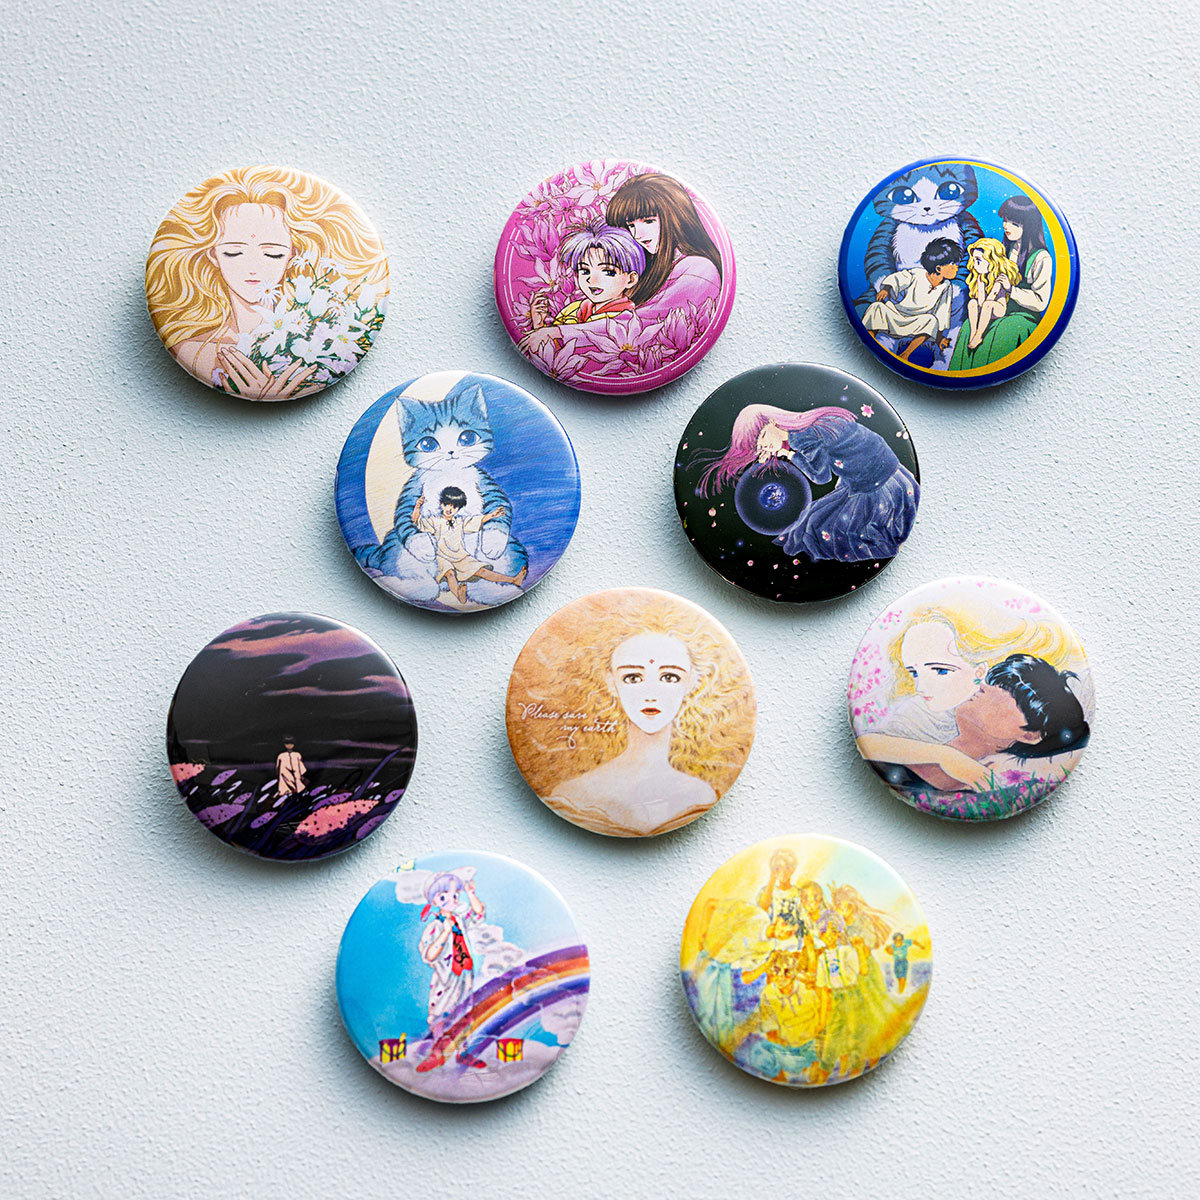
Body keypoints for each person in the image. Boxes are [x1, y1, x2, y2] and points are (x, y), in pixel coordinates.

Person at [145, 165, 386, 396]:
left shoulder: (319, 341)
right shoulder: (195, 351)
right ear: (213, 256)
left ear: (292, 256)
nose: (252, 268)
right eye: (234, 252)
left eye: (272, 254)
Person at [948, 194, 1054, 370]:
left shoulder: (1041, 258)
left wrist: (1011, 290)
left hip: (1022, 316)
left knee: (1000, 332)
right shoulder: (1003, 250)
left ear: (1029, 226)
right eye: (1005, 220)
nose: (1006, 226)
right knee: (967, 326)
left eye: (1014, 223)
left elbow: (1040, 302)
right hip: (996, 307)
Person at [415, 872, 488, 1072]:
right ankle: (437, 1054)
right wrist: (445, 932)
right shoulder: (435, 926)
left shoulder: (460, 921)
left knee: (464, 1013)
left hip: (464, 976)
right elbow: (429, 955)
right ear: (434, 901)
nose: (451, 900)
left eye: (455, 895)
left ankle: (462, 1052)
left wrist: (470, 893)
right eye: (443, 896)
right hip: (445, 980)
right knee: (440, 1014)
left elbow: (478, 914)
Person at [523, 219, 644, 338]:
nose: (592, 280)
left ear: (631, 279)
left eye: (608, 272)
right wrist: (539, 325)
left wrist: (549, 332)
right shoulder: (573, 309)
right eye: (585, 271)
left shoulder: (626, 319)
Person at [412, 487, 527, 604]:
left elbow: (478, 520)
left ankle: (513, 580)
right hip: (442, 557)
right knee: (449, 573)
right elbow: (417, 521)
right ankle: (459, 596)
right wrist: (417, 507)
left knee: (482, 571)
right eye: (446, 505)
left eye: (454, 507)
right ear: (441, 504)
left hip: (461, 557)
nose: (449, 509)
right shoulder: (435, 521)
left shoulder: (460, 522)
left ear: (459, 509)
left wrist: (492, 515)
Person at [861, 237, 963, 362]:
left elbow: (942, 311)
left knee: (931, 320)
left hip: (916, 321)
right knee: (876, 308)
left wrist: (939, 338)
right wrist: (886, 289)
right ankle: (871, 343)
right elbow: (899, 278)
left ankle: (906, 354)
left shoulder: (946, 287)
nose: (956, 267)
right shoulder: (917, 274)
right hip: (897, 314)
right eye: (952, 264)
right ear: (938, 268)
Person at [960, 237, 1022, 351]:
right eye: (974, 260)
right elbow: (980, 302)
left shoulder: (1000, 277)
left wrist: (983, 300)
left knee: (988, 304)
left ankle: (979, 335)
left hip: (997, 308)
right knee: (972, 302)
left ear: (992, 260)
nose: (975, 265)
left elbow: (990, 299)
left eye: (978, 261)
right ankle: (973, 332)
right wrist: (981, 284)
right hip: (985, 306)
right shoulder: (981, 277)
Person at [273, 737, 307, 806]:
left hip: (296, 777)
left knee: (298, 793)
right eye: (287, 744)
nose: (289, 745)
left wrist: (301, 775)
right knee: (285, 794)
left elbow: (301, 767)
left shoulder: (297, 755)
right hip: (284, 777)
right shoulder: (281, 756)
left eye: (291, 744)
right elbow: (278, 768)